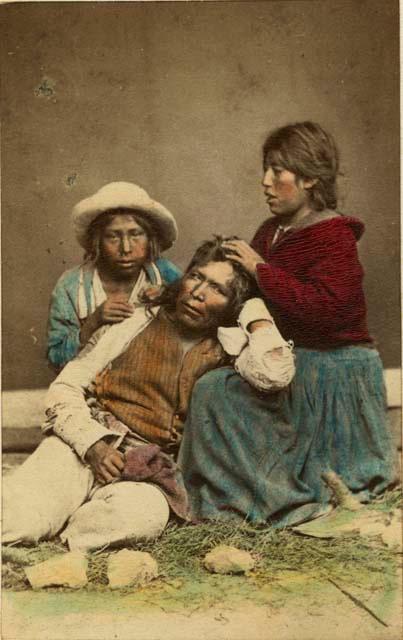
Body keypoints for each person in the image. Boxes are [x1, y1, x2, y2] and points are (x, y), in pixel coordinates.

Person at [3, 237, 295, 552]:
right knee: (19, 520)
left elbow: (275, 374)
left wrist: (254, 308)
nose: (198, 293)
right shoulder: (139, 319)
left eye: (218, 289)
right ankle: (53, 507)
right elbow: (65, 387)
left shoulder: (231, 345)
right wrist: (92, 446)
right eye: (196, 276)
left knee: (142, 517)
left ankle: (68, 536)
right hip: (88, 443)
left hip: (147, 469)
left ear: (232, 304)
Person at [180, 121, 397, 524]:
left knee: (220, 391)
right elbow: (250, 297)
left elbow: (331, 310)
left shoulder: (334, 236)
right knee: (212, 386)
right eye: (266, 169)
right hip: (289, 361)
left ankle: (279, 495)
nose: (265, 182)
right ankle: (237, 490)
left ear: (311, 177)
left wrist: (260, 269)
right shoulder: (272, 230)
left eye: (277, 172)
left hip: (333, 370)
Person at [47, 181, 181, 370]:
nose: (126, 248)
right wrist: (93, 322)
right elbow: (55, 358)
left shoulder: (165, 274)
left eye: (136, 234)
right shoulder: (71, 285)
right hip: (89, 387)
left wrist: (169, 297)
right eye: (113, 236)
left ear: (150, 238)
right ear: (97, 241)